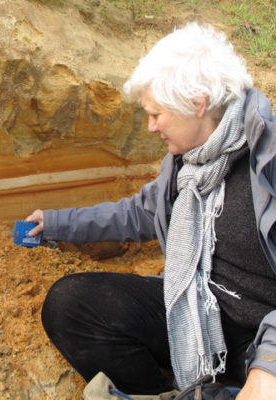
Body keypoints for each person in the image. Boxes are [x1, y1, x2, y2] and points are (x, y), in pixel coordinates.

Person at [25, 22, 276, 399]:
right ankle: (168, 391)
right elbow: (141, 213)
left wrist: (268, 366)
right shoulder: (189, 163)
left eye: (157, 114)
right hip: (195, 310)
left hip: (261, 335)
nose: (150, 126)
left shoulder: (267, 163)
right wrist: (58, 222)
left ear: (197, 103)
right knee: (71, 304)